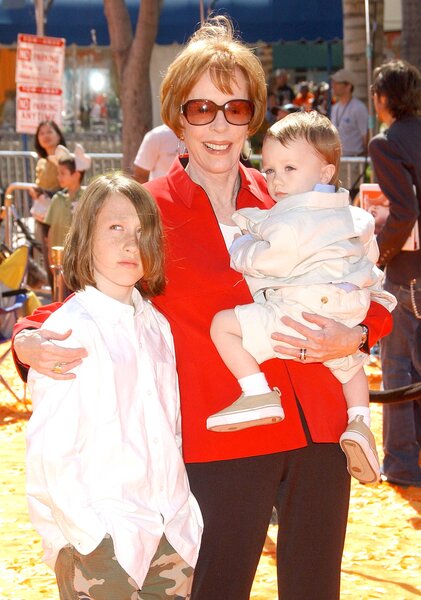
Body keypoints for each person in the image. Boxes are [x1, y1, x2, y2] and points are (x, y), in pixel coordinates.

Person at [13, 17, 392, 600]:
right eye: (201, 109)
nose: (219, 125)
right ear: (177, 118)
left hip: (321, 431)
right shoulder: (151, 209)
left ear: (253, 117)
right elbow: (88, 294)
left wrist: (359, 336)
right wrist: (28, 336)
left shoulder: (291, 194)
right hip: (220, 440)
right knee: (217, 589)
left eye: (235, 109)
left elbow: (363, 289)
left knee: (316, 589)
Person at [25, 172, 203, 599]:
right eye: (115, 227)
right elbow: (52, 451)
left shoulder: (158, 327)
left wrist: (183, 520)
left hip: (170, 537)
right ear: (85, 239)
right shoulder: (68, 330)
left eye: (141, 232)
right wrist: (88, 538)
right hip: (101, 545)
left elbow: (170, 428)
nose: (130, 243)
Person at [208, 111, 396, 485]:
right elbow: (368, 260)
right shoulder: (355, 217)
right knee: (351, 367)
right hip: (349, 307)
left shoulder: (288, 219)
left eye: (289, 168)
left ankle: (257, 392)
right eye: (271, 169)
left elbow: (264, 260)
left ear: (325, 172)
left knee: (223, 327)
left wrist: (242, 244)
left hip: (301, 310)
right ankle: (359, 421)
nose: (276, 180)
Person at [369, 58, 421, 488]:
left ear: (384, 98)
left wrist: (379, 255)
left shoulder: (386, 143)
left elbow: (404, 212)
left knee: (398, 367)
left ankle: (403, 464)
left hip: (407, 271)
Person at [29, 120, 67, 288]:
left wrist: (46, 193)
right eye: (41, 133)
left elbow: (68, 187)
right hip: (43, 216)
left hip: (60, 217)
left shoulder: (66, 159)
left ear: (59, 134)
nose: (45, 136)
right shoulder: (41, 162)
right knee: (49, 259)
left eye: (49, 131)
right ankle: (55, 298)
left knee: (61, 259)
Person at [44, 144, 91, 253]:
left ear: (76, 174)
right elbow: (51, 230)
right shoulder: (56, 199)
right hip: (59, 256)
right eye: (58, 173)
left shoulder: (87, 199)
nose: (58, 177)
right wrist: (51, 254)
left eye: (63, 173)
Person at [330, 68, 368, 197]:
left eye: (337, 83)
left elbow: (365, 136)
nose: (333, 85)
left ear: (348, 86)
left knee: (353, 198)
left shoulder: (359, 108)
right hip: (339, 163)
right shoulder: (335, 108)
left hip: (353, 163)